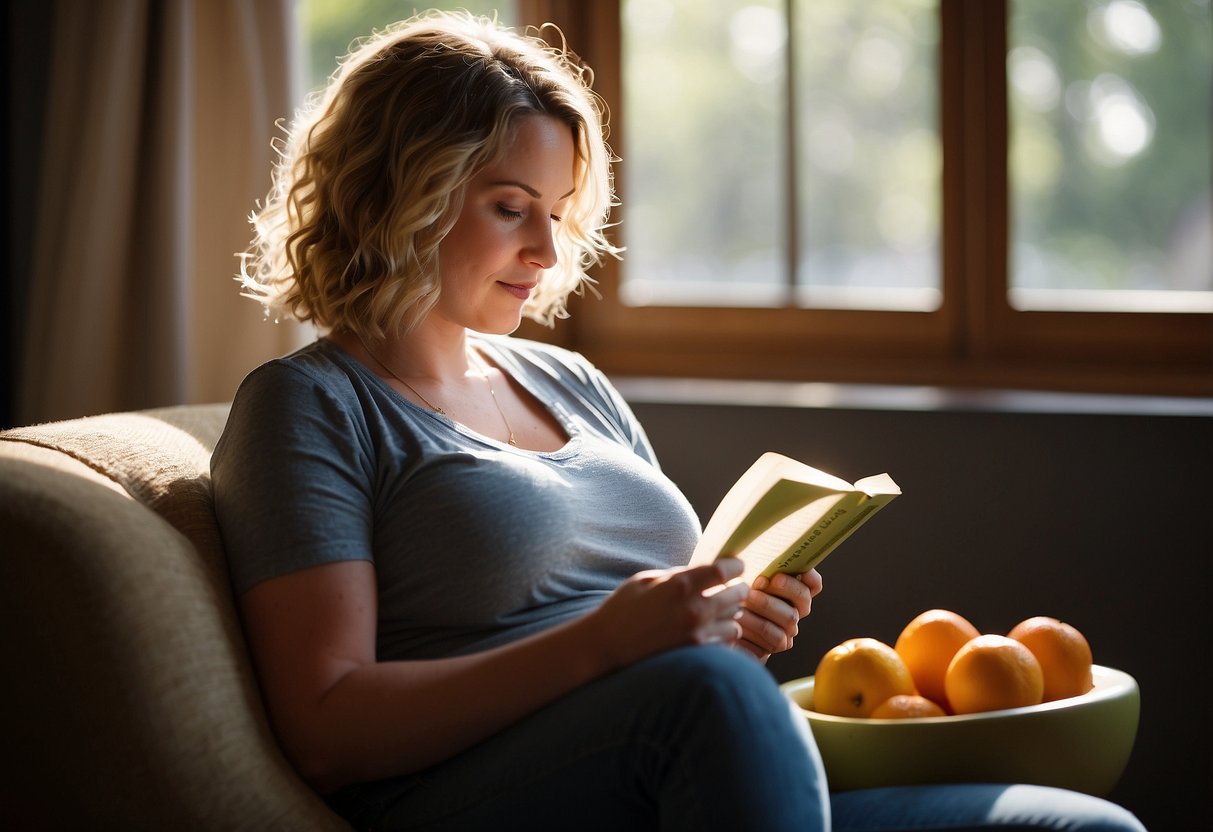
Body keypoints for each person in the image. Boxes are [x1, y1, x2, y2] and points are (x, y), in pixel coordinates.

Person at [211, 11, 1145, 832]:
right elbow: (328, 726)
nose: (544, 250)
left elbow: (667, 652)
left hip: (685, 748)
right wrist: (611, 648)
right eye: (508, 208)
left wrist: (728, 627)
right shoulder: (310, 406)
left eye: (556, 213)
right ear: (398, 194)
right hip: (468, 792)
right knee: (703, 693)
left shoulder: (570, 380)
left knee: (1075, 826)